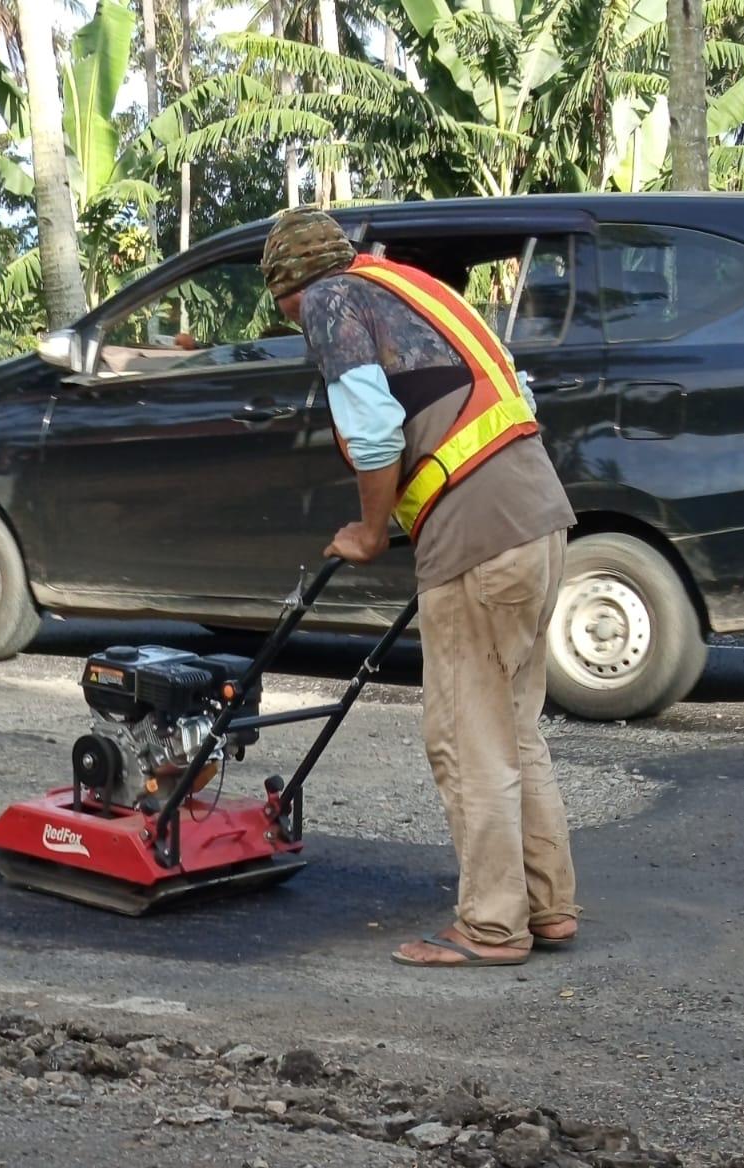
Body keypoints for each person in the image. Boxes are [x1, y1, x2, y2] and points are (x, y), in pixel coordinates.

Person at [259, 207, 578, 969]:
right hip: (539, 521)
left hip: (477, 540)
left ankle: (492, 927)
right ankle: (548, 907)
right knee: (513, 729)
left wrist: (370, 533)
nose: (298, 325)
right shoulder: (417, 291)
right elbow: (513, 400)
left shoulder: (331, 298)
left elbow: (373, 430)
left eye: (285, 311)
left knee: (466, 740)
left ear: (289, 287)